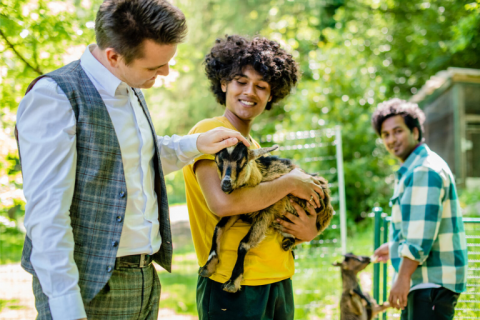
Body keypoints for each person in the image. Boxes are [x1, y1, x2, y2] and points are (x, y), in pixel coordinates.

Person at [15, 1, 251, 319]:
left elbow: (134, 162)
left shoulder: (130, 86)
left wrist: (196, 144)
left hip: (143, 279)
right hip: (88, 288)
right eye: (154, 67)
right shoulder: (54, 98)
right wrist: (67, 308)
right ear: (113, 57)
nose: (165, 73)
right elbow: (46, 219)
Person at [182, 35, 325, 320]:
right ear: (223, 83)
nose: (251, 92)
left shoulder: (255, 150)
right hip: (233, 286)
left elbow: (272, 214)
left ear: (272, 95)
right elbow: (223, 204)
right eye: (241, 81)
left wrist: (310, 231)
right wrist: (290, 183)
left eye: (262, 86)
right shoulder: (211, 133)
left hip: (278, 279)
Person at [371, 99, 468, 320]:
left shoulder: (423, 170)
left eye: (397, 131)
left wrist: (402, 277)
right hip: (427, 280)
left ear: (415, 131)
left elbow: (420, 236)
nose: (391, 139)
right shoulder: (418, 167)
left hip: (430, 282)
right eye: (385, 135)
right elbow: (421, 224)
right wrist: (395, 246)